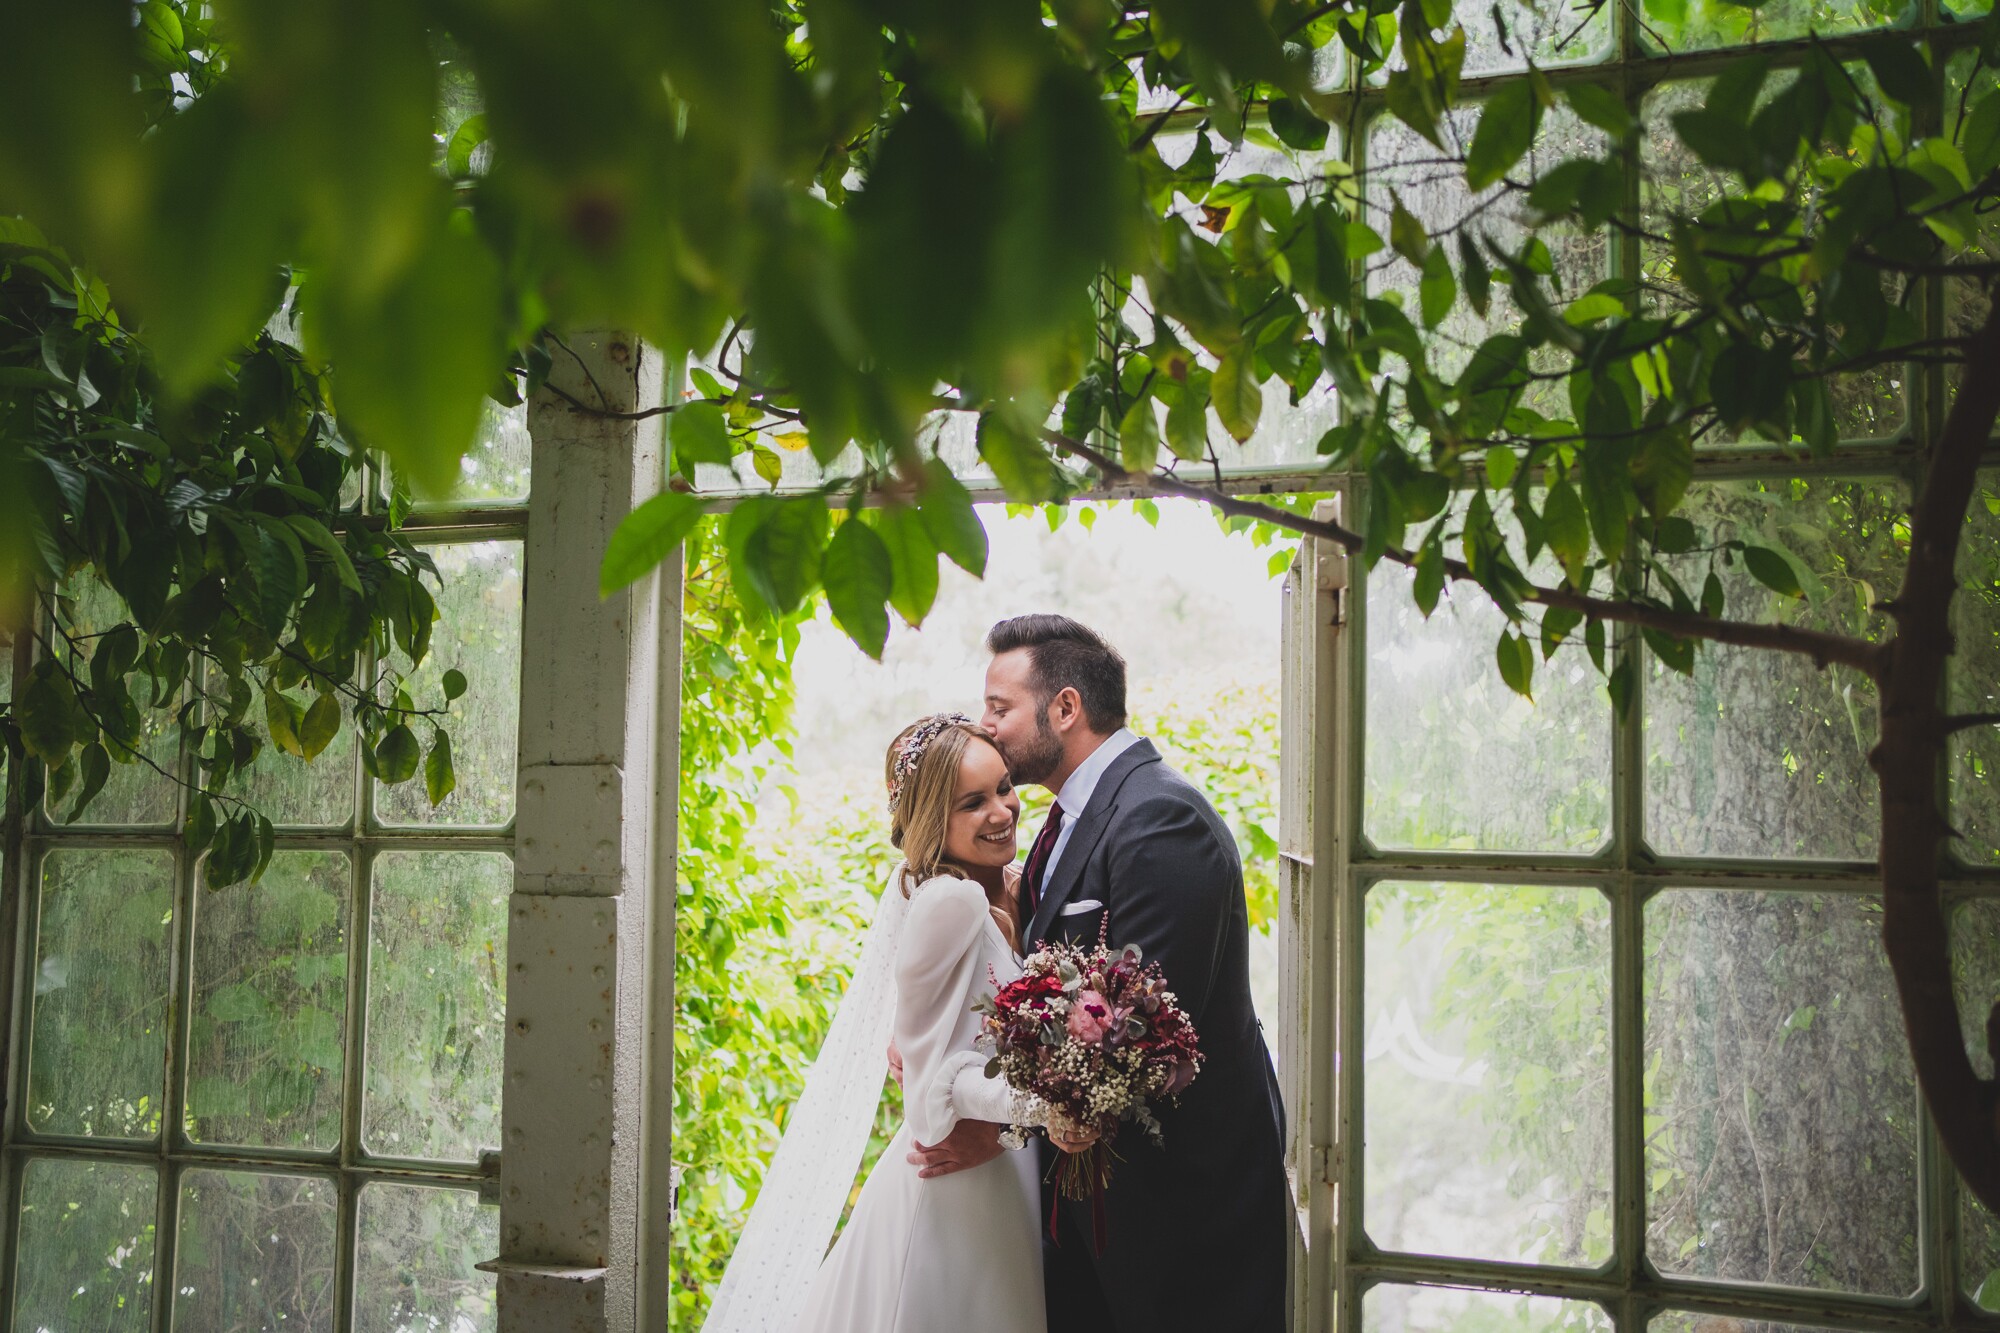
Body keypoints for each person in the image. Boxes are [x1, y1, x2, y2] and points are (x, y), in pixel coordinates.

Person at [907, 615, 1289, 1333]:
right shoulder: (1066, 822)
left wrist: (1000, 1133)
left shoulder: (1159, 820)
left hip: (1181, 1222)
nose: (982, 722)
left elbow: (1133, 1037)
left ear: (1066, 708)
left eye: (999, 706)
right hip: (1100, 1214)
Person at [788, 713, 1092, 1333]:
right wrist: (1049, 1104)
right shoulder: (949, 901)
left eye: (1005, 787)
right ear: (932, 819)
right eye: (973, 803)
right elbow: (930, 1097)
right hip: (960, 1188)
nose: (1003, 811)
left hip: (1003, 1173)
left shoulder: (1011, 884)